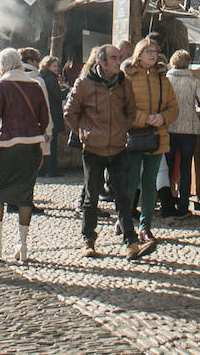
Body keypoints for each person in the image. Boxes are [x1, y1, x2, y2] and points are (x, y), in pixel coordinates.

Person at [0, 48, 50, 264]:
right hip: (32, 145)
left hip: (8, 145)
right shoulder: (35, 85)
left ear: (1, 65)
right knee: (26, 194)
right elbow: (45, 119)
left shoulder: (1, 85)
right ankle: (22, 245)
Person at [65, 44, 140, 258]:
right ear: (102, 62)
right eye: (114, 57)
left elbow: (131, 110)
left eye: (119, 57)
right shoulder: (84, 83)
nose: (119, 61)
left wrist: (122, 128)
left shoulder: (124, 83)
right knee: (91, 198)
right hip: (93, 149)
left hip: (117, 148)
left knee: (123, 197)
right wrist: (84, 133)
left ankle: (131, 241)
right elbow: (70, 112)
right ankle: (88, 240)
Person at [120, 37, 178, 256]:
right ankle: (126, 223)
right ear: (139, 54)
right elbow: (123, 108)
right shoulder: (127, 77)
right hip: (134, 137)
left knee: (150, 183)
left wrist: (162, 118)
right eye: (148, 51)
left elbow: (174, 107)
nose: (153, 55)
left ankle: (145, 226)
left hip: (156, 137)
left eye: (155, 51)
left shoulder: (163, 79)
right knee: (131, 182)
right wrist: (145, 118)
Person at [162, 49, 200, 219]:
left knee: (167, 166)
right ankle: (183, 205)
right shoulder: (193, 81)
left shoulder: (166, 80)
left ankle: (167, 203)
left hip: (169, 126)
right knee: (186, 166)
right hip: (189, 128)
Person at [37, 56, 66, 178]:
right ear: (47, 66)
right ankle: (52, 169)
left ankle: (43, 168)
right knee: (52, 143)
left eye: (57, 66)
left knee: (46, 143)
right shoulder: (51, 79)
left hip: (45, 113)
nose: (57, 68)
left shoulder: (42, 77)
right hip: (53, 113)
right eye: (54, 66)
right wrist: (68, 90)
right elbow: (58, 96)